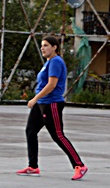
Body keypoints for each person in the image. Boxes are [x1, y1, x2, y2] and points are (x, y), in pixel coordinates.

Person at [16, 35, 87, 180]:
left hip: (51, 103)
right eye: (42, 45)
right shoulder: (48, 63)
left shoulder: (55, 62)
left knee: (58, 135)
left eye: (46, 45)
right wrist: (37, 100)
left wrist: (35, 98)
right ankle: (33, 166)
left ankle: (79, 165)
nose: (43, 48)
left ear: (54, 47)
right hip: (41, 103)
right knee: (30, 131)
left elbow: (51, 85)